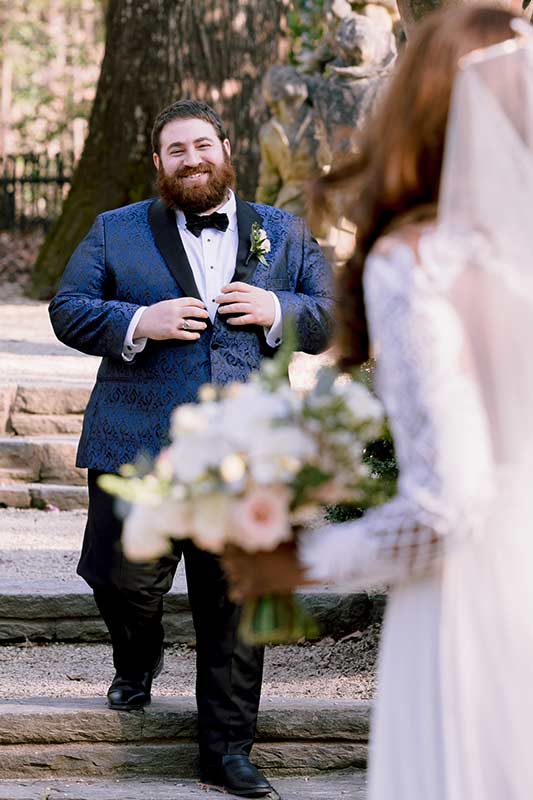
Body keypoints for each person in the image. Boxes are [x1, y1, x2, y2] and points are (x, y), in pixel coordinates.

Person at [224, 7, 533, 799]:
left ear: (414, 105)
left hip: (479, 600)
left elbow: (445, 505)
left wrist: (299, 560)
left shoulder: (421, 262)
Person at [49, 99, 333, 798]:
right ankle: (138, 657)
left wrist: (279, 311)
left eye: (201, 144)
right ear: (158, 164)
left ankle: (227, 752)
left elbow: (333, 313)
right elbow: (68, 307)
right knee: (123, 579)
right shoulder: (115, 231)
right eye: (176, 150)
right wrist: (138, 318)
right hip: (136, 443)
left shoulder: (283, 231)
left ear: (225, 148)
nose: (192, 158)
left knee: (234, 599)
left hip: (247, 451)